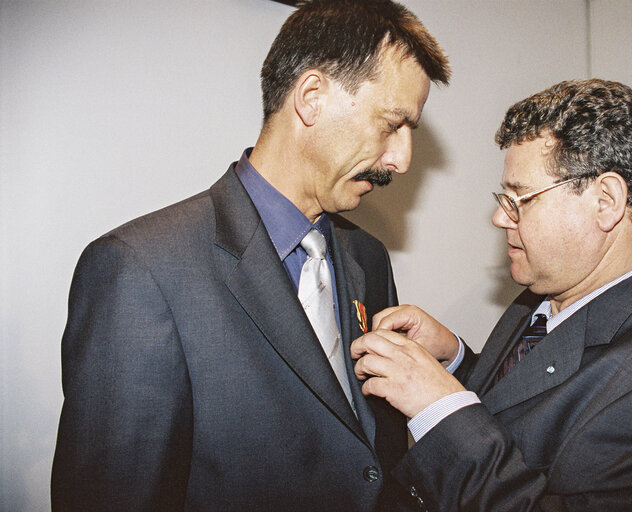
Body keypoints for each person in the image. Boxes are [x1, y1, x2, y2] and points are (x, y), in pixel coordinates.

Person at [51, 1, 449, 510]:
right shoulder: (141, 270)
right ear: (311, 98)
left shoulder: (368, 258)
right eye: (392, 124)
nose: (402, 159)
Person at [351, 79, 632, 511]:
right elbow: (525, 407)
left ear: (606, 201)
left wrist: (439, 408)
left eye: (521, 198)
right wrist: (457, 362)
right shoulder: (552, 289)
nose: (499, 218)